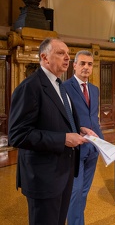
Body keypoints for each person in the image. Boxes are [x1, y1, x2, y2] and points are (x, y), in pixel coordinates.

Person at [8, 38, 96, 225]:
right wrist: (63, 138)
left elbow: (54, 120)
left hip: (63, 173)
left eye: (68, 54)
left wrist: (78, 129)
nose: (67, 58)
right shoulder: (30, 87)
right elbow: (18, 135)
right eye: (60, 53)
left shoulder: (59, 86)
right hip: (43, 177)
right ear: (44, 57)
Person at [63, 50, 103, 225]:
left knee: (84, 191)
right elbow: (62, 118)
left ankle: (77, 221)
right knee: (75, 191)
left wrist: (102, 145)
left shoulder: (94, 90)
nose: (86, 67)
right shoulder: (64, 87)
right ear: (74, 65)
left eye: (90, 64)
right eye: (83, 63)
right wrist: (78, 129)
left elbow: (94, 119)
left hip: (92, 149)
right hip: (75, 149)